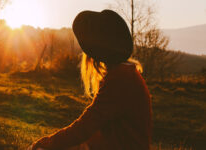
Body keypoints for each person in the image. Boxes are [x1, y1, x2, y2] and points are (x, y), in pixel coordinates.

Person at [30, 9, 152, 150]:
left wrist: (44, 144)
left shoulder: (121, 79)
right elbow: (97, 128)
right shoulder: (126, 74)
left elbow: (85, 127)